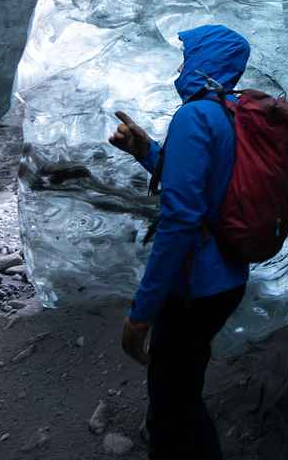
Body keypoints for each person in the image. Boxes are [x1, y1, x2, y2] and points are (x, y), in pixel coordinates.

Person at [108, 24, 251, 460]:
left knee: (173, 406)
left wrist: (141, 314)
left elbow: (179, 222)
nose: (182, 63)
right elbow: (209, 186)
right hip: (228, 276)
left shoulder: (194, 116)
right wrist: (146, 150)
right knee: (183, 387)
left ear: (204, 59)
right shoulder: (231, 111)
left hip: (197, 285)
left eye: (188, 54)